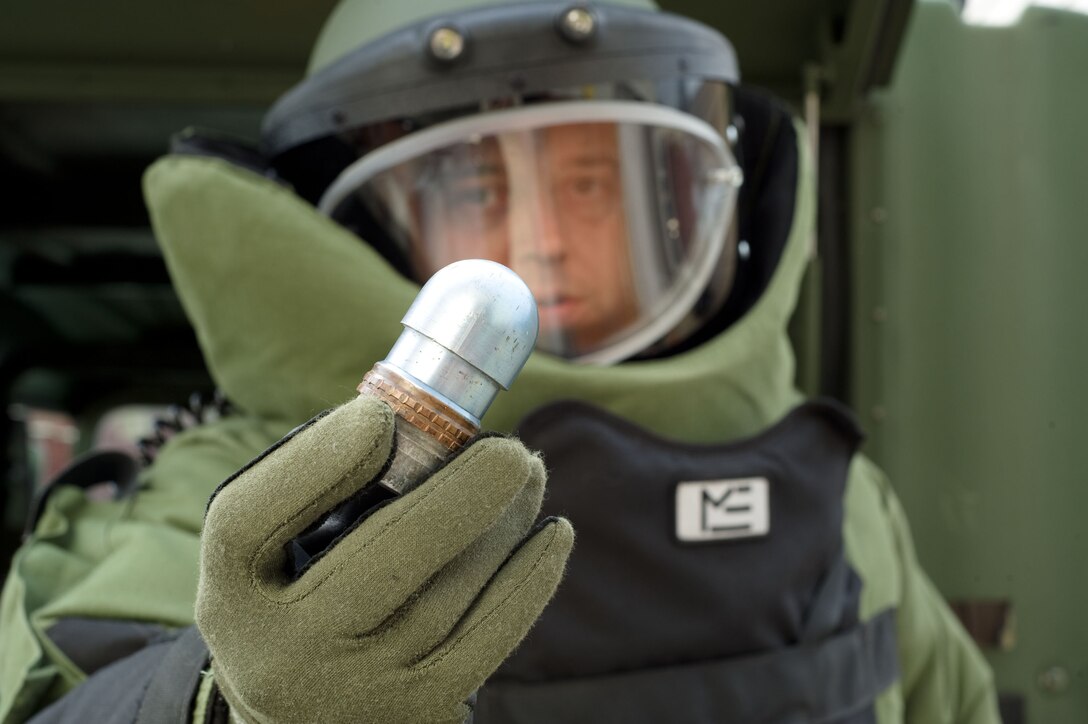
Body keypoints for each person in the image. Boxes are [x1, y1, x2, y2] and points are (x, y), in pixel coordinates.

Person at [0, 1, 1001, 722]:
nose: (548, 239)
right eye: (473, 187)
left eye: (591, 185)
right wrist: (219, 702)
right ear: (353, 235)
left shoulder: (836, 496)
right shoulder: (241, 500)